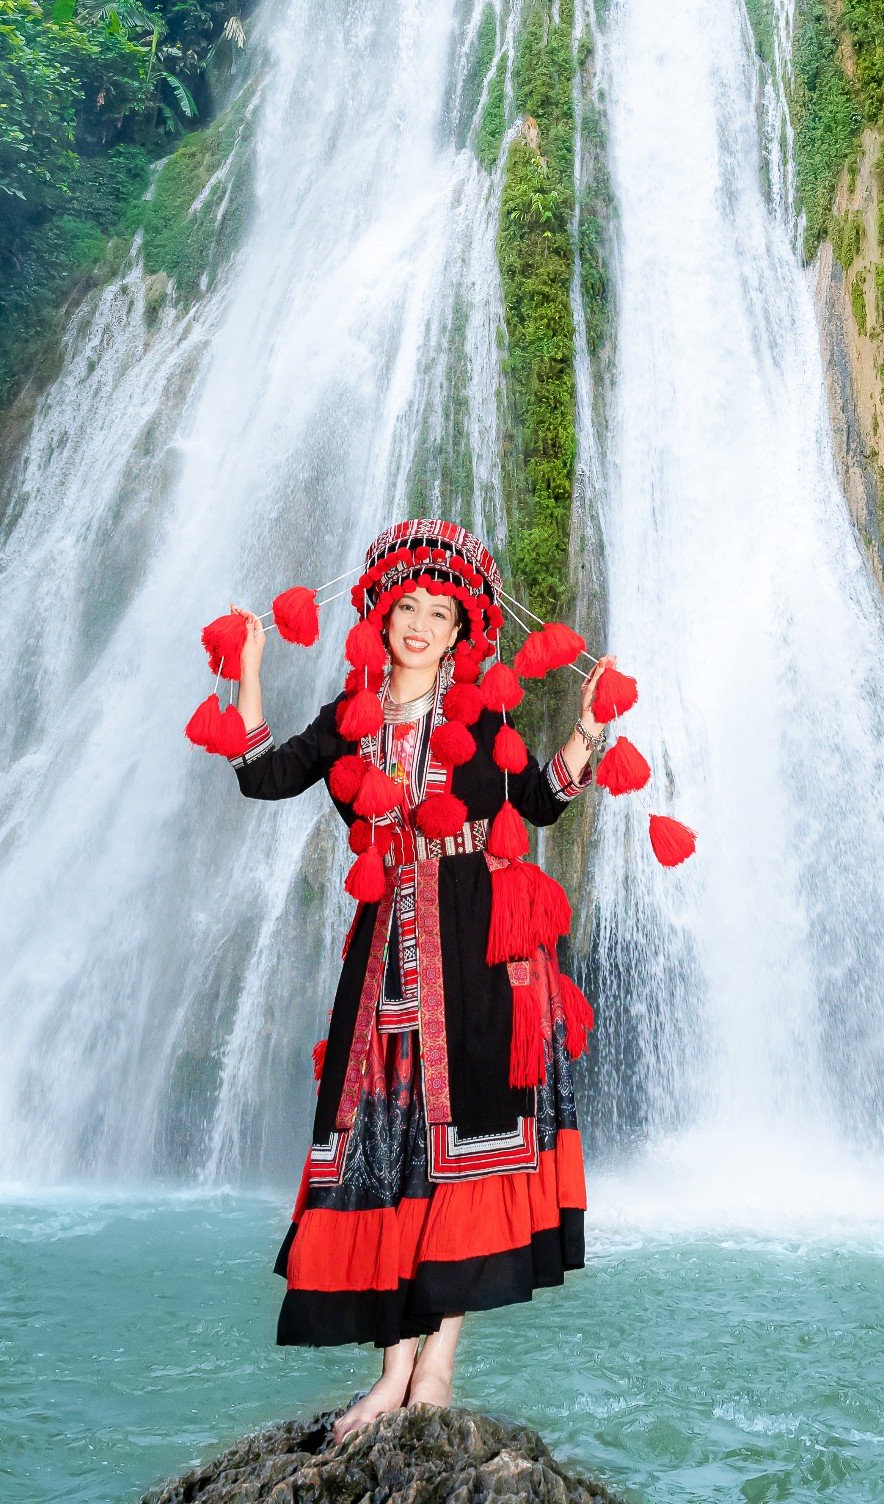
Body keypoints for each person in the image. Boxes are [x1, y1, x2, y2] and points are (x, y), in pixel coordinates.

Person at [227, 518, 607, 1432]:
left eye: (440, 611)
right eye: (408, 607)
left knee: (460, 1160)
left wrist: (589, 728)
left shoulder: (484, 714)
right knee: (380, 1156)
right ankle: (390, 1373)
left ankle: (436, 1365)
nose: (422, 625)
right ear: (383, 615)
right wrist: (245, 664)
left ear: (460, 627)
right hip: (383, 959)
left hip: (478, 955)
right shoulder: (348, 719)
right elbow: (258, 774)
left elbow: (538, 804)